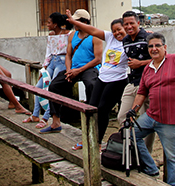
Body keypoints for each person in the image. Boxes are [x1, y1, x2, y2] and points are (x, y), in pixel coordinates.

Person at [127, 33, 175, 186]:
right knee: (131, 134)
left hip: (172, 119)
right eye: (151, 46)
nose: (154, 49)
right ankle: (151, 168)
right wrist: (133, 111)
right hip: (151, 116)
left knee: (172, 157)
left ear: (164, 47)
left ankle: (172, 184)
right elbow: (141, 93)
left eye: (157, 45)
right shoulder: (147, 69)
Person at [65, 10, 129, 150]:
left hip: (117, 81)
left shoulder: (130, 41)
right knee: (91, 108)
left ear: (126, 28)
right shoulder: (110, 38)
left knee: (102, 110)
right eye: (114, 31)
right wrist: (73, 21)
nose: (117, 33)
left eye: (120, 30)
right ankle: (88, 139)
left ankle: (98, 142)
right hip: (103, 77)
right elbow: (92, 30)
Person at [40, 9, 103, 134]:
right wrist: (69, 70)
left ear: (84, 22)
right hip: (73, 68)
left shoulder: (95, 36)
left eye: (76, 21)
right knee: (54, 85)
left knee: (91, 84)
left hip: (89, 68)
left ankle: (92, 119)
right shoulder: (73, 35)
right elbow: (68, 55)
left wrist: (79, 70)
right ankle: (56, 121)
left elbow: (97, 59)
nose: (73, 23)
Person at [23, 12, 72, 129]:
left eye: (49, 22)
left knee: (52, 89)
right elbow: (48, 52)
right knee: (38, 87)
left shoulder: (68, 34)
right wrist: (44, 68)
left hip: (62, 61)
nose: (47, 25)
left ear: (55, 24)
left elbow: (70, 52)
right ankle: (35, 114)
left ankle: (45, 117)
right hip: (52, 62)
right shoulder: (51, 35)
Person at [116, 10, 155, 151]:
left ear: (138, 23)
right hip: (132, 82)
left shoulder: (148, 37)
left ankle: (146, 153)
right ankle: (130, 147)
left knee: (146, 120)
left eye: (132, 23)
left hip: (147, 83)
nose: (129, 26)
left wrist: (140, 63)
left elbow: (160, 59)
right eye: (126, 24)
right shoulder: (125, 40)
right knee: (122, 116)